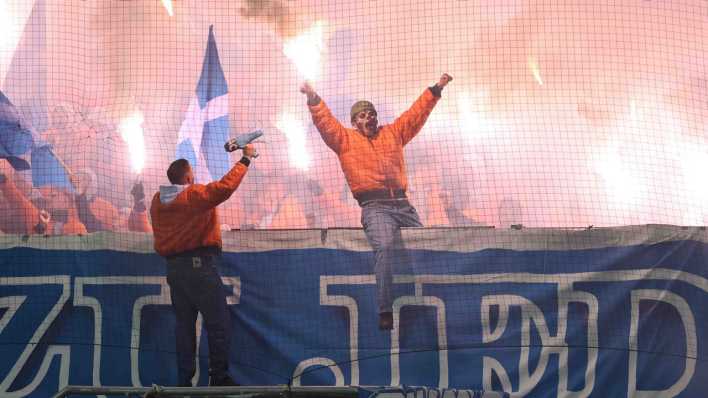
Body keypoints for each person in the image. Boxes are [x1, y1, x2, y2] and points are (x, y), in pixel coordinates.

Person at [301, 73, 453, 330]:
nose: (368, 117)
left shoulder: (392, 133)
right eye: (362, 115)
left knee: (426, 246)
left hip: (403, 205)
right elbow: (325, 123)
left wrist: (436, 89)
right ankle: (385, 309)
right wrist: (313, 98)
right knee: (383, 245)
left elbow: (415, 114)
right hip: (375, 208)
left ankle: (435, 300)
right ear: (353, 122)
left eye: (371, 113)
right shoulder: (345, 140)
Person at [150, 144, 256, 387]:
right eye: (193, 174)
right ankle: (219, 378)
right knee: (218, 324)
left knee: (184, 328)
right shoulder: (192, 195)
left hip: (174, 272)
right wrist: (245, 160)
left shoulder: (157, 201)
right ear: (188, 177)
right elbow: (224, 188)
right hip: (200, 269)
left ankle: (183, 383)